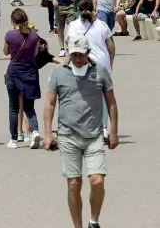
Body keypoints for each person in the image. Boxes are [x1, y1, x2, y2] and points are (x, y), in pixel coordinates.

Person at [44, 35, 119, 228]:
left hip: (94, 136)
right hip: (68, 136)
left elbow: (111, 102)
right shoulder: (58, 72)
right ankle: (77, 225)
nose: (77, 59)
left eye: (81, 55)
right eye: (74, 54)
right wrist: (47, 133)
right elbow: (50, 105)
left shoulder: (100, 71)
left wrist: (113, 132)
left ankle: (93, 221)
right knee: (74, 185)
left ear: (88, 53)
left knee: (97, 182)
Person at [66, 0, 115, 143]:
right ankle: (104, 129)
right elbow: (111, 48)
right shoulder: (102, 25)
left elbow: (68, 45)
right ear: (93, 9)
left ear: (78, 10)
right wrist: (109, 65)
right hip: (102, 64)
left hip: (81, 64)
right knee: (103, 98)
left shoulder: (73, 26)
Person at [3, 8, 41, 149]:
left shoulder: (10, 35)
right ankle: (35, 131)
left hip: (14, 72)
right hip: (30, 71)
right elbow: (35, 53)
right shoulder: (34, 36)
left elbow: (6, 52)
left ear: (13, 21)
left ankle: (13, 139)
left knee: (13, 107)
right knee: (29, 107)